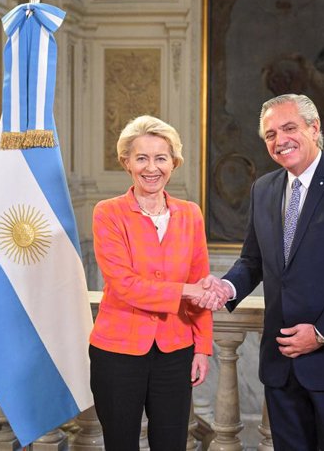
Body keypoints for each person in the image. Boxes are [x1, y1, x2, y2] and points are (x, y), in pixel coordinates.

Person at [201, 94, 324, 450]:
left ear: (314, 128)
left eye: (289, 128)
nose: (280, 140)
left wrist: (320, 333)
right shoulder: (264, 189)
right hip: (282, 362)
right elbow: (252, 261)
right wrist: (226, 287)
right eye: (270, 134)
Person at [89, 115, 220, 450]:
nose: (152, 167)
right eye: (141, 158)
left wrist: (202, 346)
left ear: (173, 163)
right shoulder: (108, 213)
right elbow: (125, 285)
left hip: (176, 351)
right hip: (118, 352)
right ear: (126, 162)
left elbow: (200, 285)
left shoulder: (191, 214)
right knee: (120, 444)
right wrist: (186, 290)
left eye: (161, 158)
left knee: (172, 444)